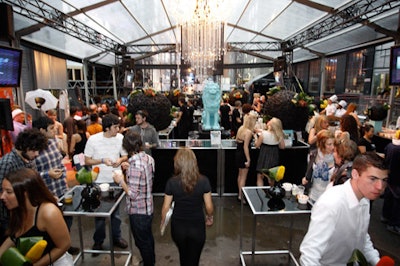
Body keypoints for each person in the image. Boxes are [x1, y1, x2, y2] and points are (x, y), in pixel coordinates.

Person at [300, 152, 389, 265]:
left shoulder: (364, 199)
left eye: (384, 180)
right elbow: (309, 254)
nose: (380, 187)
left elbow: (361, 235)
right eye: (373, 179)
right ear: (355, 174)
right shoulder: (332, 202)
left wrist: (376, 261)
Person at [0, 168, 72, 265]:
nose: (2, 196)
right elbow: (13, 237)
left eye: (8, 192)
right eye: (2, 190)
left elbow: (64, 245)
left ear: (26, 193)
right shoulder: (16, 209)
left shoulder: (48, 212)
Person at [32, 117, 80, 255]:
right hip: (46, 193)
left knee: (67, 218)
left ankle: (65, 244)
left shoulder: (53, 142)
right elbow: (30, 175)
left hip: (61, 188)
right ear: (41, 130)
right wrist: (47, 174)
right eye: (51, 128)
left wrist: (62, 171)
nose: (55, 130)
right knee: (49, 224)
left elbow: (59, 161)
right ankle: (53, 250)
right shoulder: (33, 148)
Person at [160, 148, 214, 266]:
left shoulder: (171, 182)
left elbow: (165, 207)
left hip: (178, 228)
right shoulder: (204, 181)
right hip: (197, 228)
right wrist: (210, 217)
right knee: (194, 259)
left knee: (183, 256)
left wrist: (163, 222)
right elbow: (209, 206)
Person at [84, 114, 128, 254]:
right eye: (116, 127)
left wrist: (119, 161)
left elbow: (125, 155)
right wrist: (102, 160)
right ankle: (98, 240)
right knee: (100, 213)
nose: (118, 129)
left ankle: (117, 237)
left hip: (116, 179)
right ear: (108, 128)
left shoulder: (120, 138)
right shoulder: (93, 140)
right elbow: (87, 160)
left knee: (116, 213)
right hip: (99, 180)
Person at [113, 131, 156, 265]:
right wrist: (129, 167)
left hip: (138, 211)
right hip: (148, 206)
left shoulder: (135, 165)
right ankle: (150, 261)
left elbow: (132, 194)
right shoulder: (148, 158)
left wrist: (121, 181)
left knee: (141, 242)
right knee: (148, 238)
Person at [0, 128, 47, 244]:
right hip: (10, 217)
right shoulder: (8, 162)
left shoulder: (29, 159)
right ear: (24, 147)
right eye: (34, 150)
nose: (37, 154)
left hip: (25, 212)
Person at [302, 129, 335, 203]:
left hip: (329, 199)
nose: (332, 147)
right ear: (321, 144)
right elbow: (309, 173)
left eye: (334, 144)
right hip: (313, 195)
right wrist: (306, 179)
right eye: (329, 144)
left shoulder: (337, 158)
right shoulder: (313, 155)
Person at [254, 117, 285, 186]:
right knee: (272, 176)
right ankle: (271, 191)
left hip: (263, 154)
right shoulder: (279, 135)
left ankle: (260, 193)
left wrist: (256, 138)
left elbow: (257, 145)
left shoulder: (264, 134)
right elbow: (282, 147)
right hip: (274, 155)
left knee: (260, 176)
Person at [235, 111, 257, 202]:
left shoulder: (241, 128)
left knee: (240, 175)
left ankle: (239, 194)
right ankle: (241, 196)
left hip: (238, 153)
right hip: (243, 155)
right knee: (243, 177)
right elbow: (246, 147)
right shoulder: (248, 132)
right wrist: (248, 159)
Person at [382, 130, 400, 235]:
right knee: (397, 202)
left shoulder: (390, 146)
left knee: (389, 197)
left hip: (390, 176)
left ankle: (385, 216)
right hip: (398, 179)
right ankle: (394, 224)